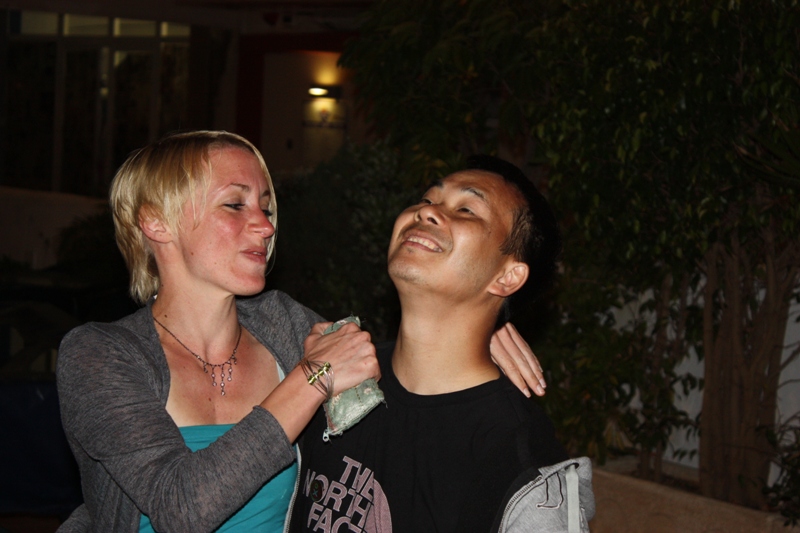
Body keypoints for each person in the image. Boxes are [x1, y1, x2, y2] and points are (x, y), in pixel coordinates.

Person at [55, 132, 548, 533]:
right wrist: (312, 377)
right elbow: (182, 509)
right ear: (156, 222)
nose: (265, 226)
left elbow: (392, 365)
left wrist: (482, 326)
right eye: (235, 205)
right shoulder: (100, 355)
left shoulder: (284, 327)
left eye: (266, 208)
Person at [289, 156, 595, 532]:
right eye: (427, 199)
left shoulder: (518, 463)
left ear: (507, 276)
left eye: (466, 209)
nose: (426, 211)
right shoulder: (333, 375)